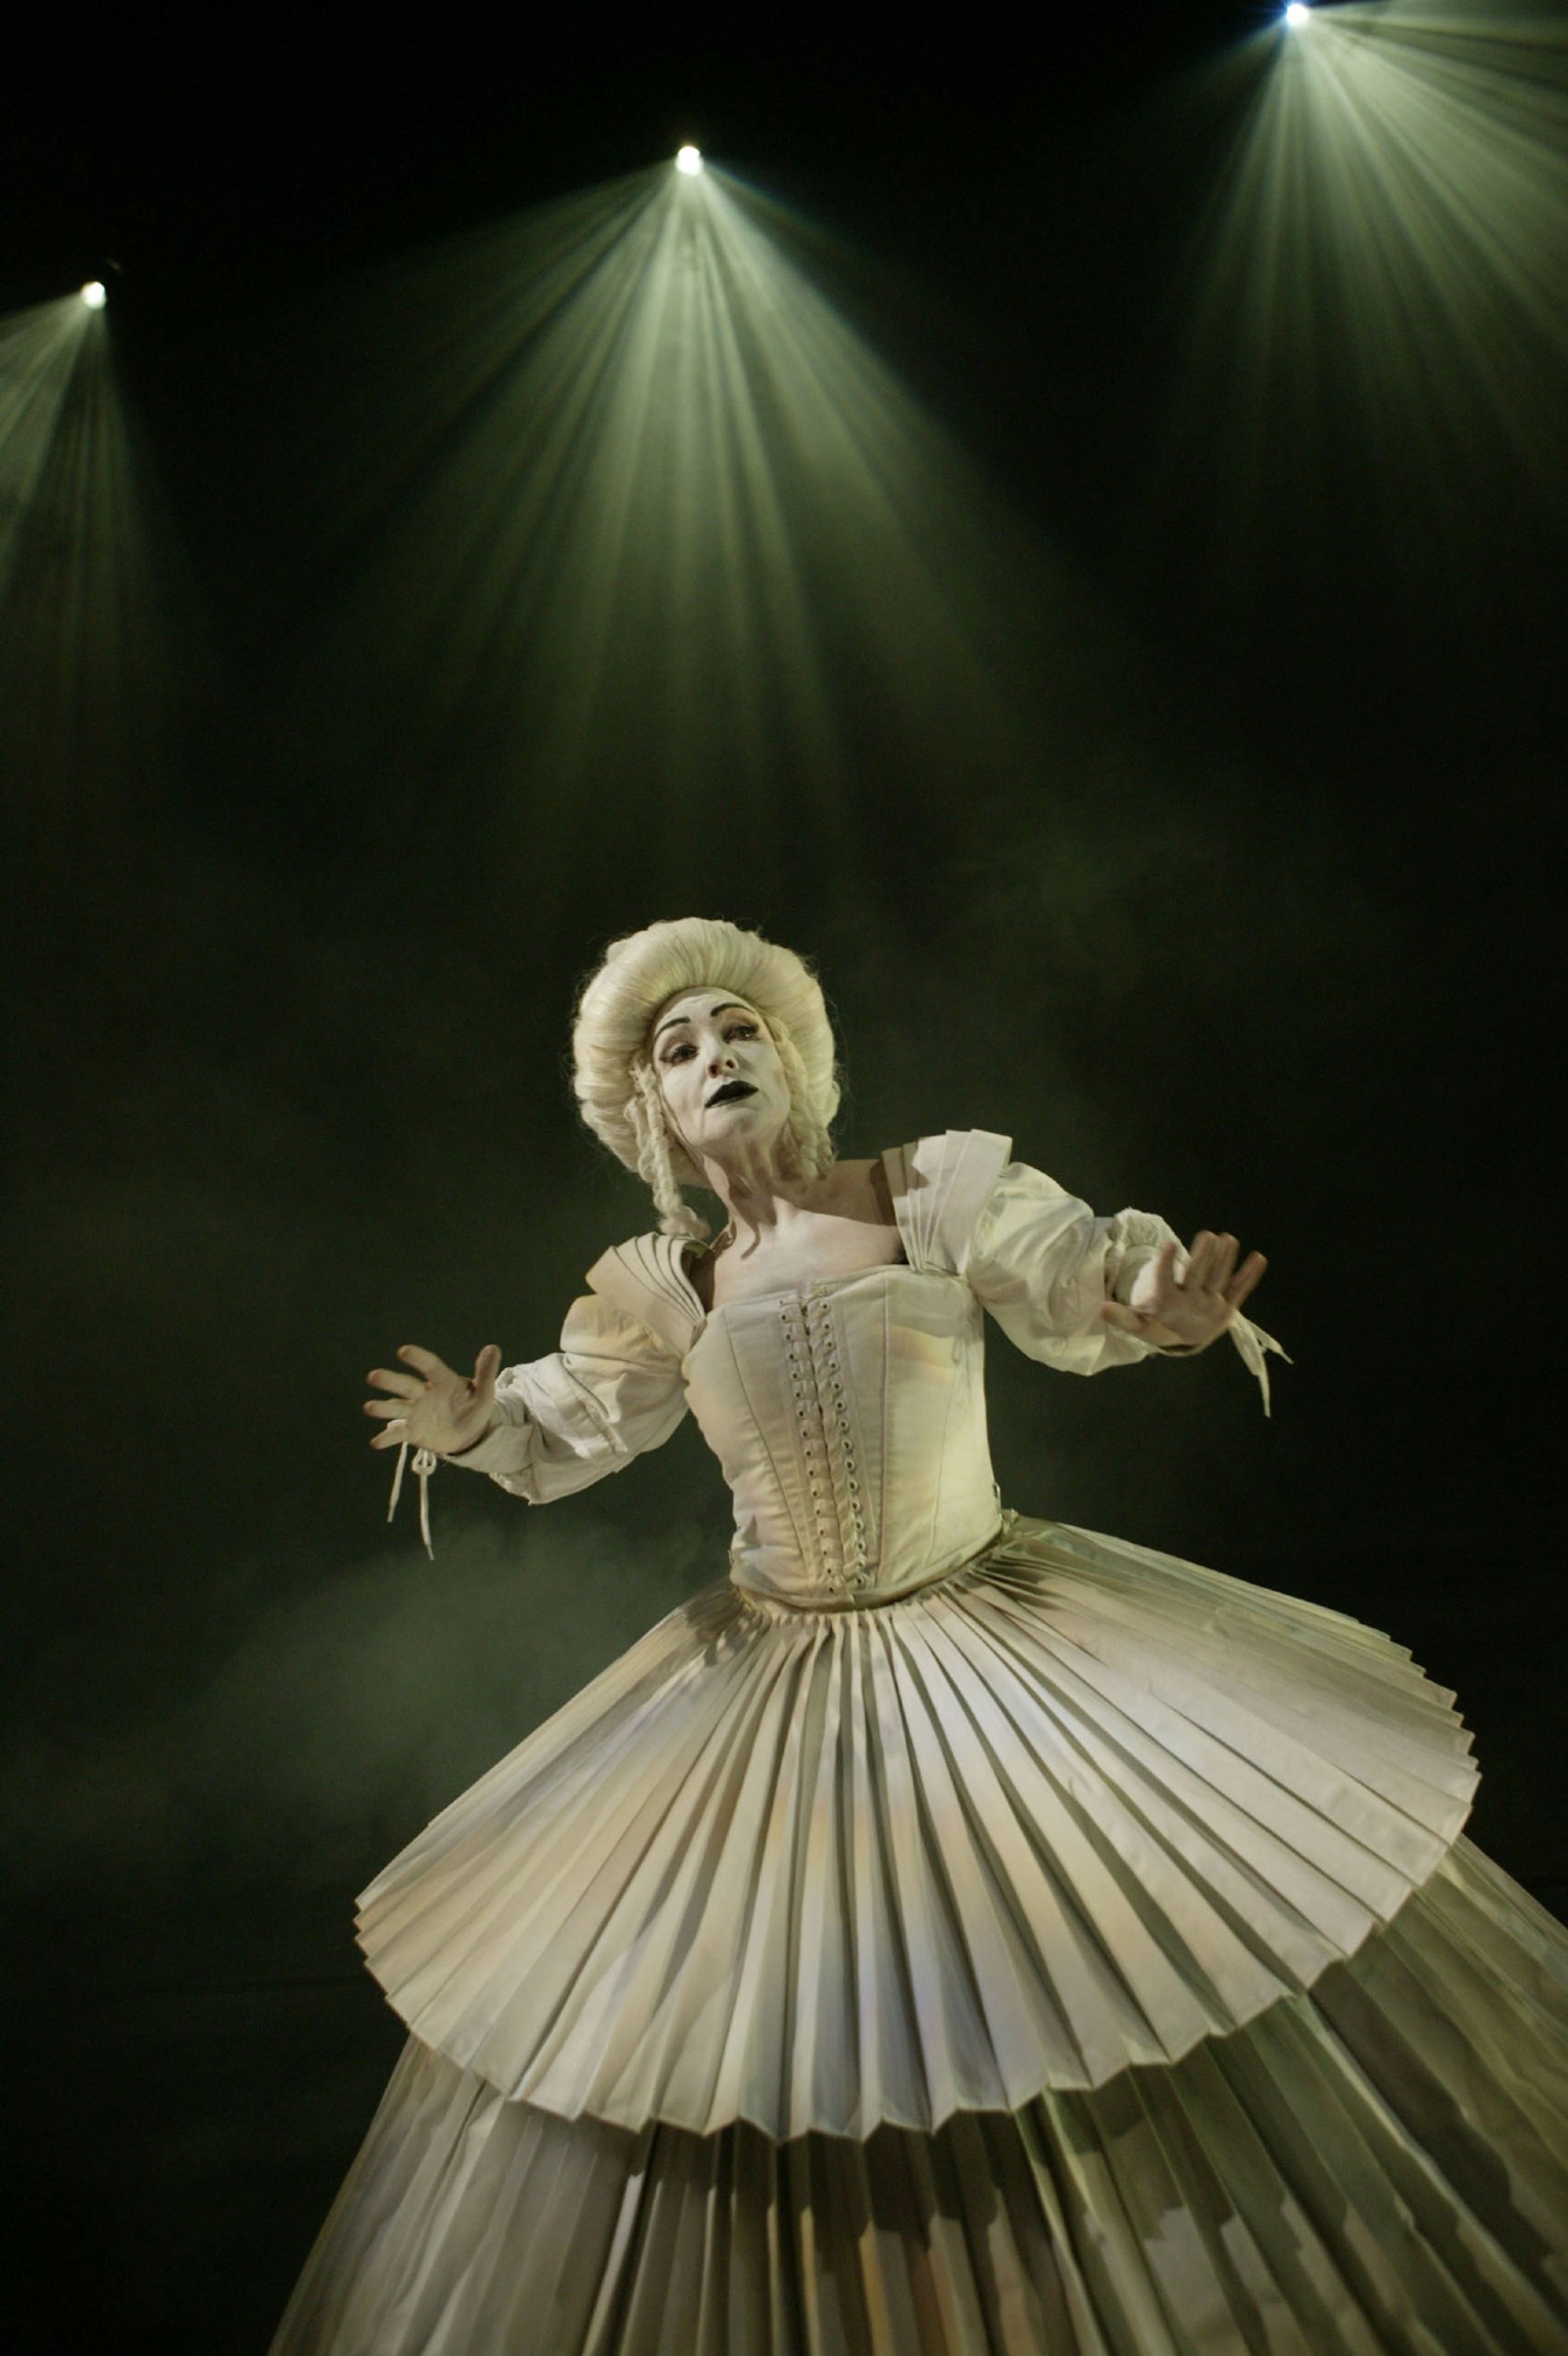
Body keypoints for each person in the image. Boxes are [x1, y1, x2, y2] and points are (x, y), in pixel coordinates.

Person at [271, 916, 1568, 2355]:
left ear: (797, 1060)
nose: (716, 1056)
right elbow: (573, 1414)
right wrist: (472, 1427)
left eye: (738, 1029)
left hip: (996, 1632)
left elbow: (1082, 1282)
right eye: (682, 1049)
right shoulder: (666, 1290)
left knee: (1072, 1956)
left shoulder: (932, 1193)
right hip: (780, 1672)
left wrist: (1160, 1309)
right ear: (653, 1115)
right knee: (814, 2017)